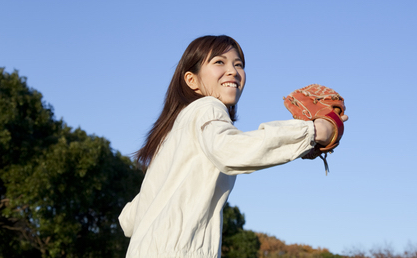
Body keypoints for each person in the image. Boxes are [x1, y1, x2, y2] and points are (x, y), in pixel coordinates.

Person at [119, 35, 347, 258]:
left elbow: (129, 220)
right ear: (192, 80)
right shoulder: (206, 107)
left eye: (238, 64)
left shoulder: (173, 136)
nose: (233, 71)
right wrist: (316, 131)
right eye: (219, 62)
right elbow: (231, 151)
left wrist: (301, 144)